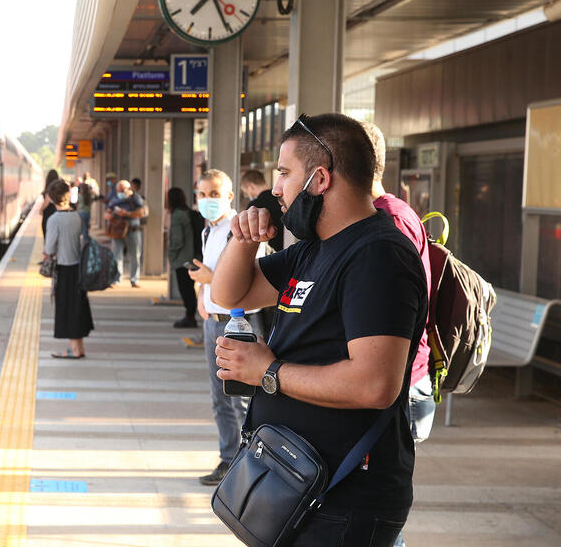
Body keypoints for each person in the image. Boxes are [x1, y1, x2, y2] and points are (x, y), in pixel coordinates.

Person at [211, 113, 427, 545]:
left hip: (344, 498)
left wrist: (268, 372)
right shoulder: (316, 249)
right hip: (300, 486)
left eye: (285, 173)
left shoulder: (378, 256)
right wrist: (244, 239)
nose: (276, 189)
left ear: (320, 179)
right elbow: (231, 294)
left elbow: (374, 385)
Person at [361, 121, 434, 547]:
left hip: (402, 387)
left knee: (379, 514)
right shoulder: (393, 213)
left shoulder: (388, 222)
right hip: (404, 383)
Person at [189, 169, 266, 485]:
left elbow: (253, 277)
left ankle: (248, 463)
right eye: (203, 194)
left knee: (242, 397)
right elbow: (207, 274)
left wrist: (211, 281)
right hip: (214, 322)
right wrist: (201, 295)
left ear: (230, 196)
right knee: (220, 396)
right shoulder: (211, 230)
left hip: (239, 322)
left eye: (215, 194)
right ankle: (227, 458)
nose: (208, 200)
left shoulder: (242, 231)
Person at [44, 178, 93, 359]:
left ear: (51, 198)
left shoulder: (54, 220)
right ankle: (79, 347)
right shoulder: (76, 216)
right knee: (77, 307)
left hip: (64, 269)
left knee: (68, 309)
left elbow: (49, 249)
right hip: (78, 268)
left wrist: (47, 253)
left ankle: (74, 350)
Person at [166, 187, 197, 328]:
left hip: (182, 259)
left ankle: (190, 317)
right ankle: (190, 315)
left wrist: (170, 253)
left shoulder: (177, 215)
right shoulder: (187, 212)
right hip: (191, 257)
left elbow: (177, 239)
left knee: (185, 289)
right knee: (189, 288)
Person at [105, 180, 145, 287]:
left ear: (129, 189)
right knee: (117, 255)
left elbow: (142, 212)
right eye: (119, 191)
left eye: (122, 190)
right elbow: (107, 211)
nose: (121, 193)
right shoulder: (115, 199)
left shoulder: (136, 198)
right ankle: (116, 279)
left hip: (132, 230)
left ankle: (134, 279)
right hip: (117, 231)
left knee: (135, 255)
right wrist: (109, 215)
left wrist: (127, 213)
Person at [240, 170, 285, 251]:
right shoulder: (283, 198)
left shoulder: (254, 208)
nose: (248, 196)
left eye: (246, 193)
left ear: (251, 187)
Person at [40, 169, 60, 240]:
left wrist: (40, 210)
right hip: (57, 214)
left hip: (47, 217)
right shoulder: (58, 188)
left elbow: (46, 202)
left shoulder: (49, 189)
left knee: (48, 239)